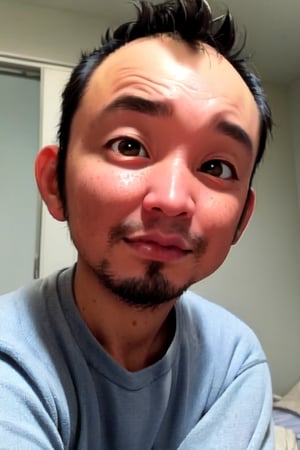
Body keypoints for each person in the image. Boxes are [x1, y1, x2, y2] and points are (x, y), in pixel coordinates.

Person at [0, 0, 274, 448]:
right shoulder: (11, 356)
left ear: (242, 218)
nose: (171, 200)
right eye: (129, 145)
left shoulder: (234, 363)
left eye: (217, 167)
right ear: (54, 182)